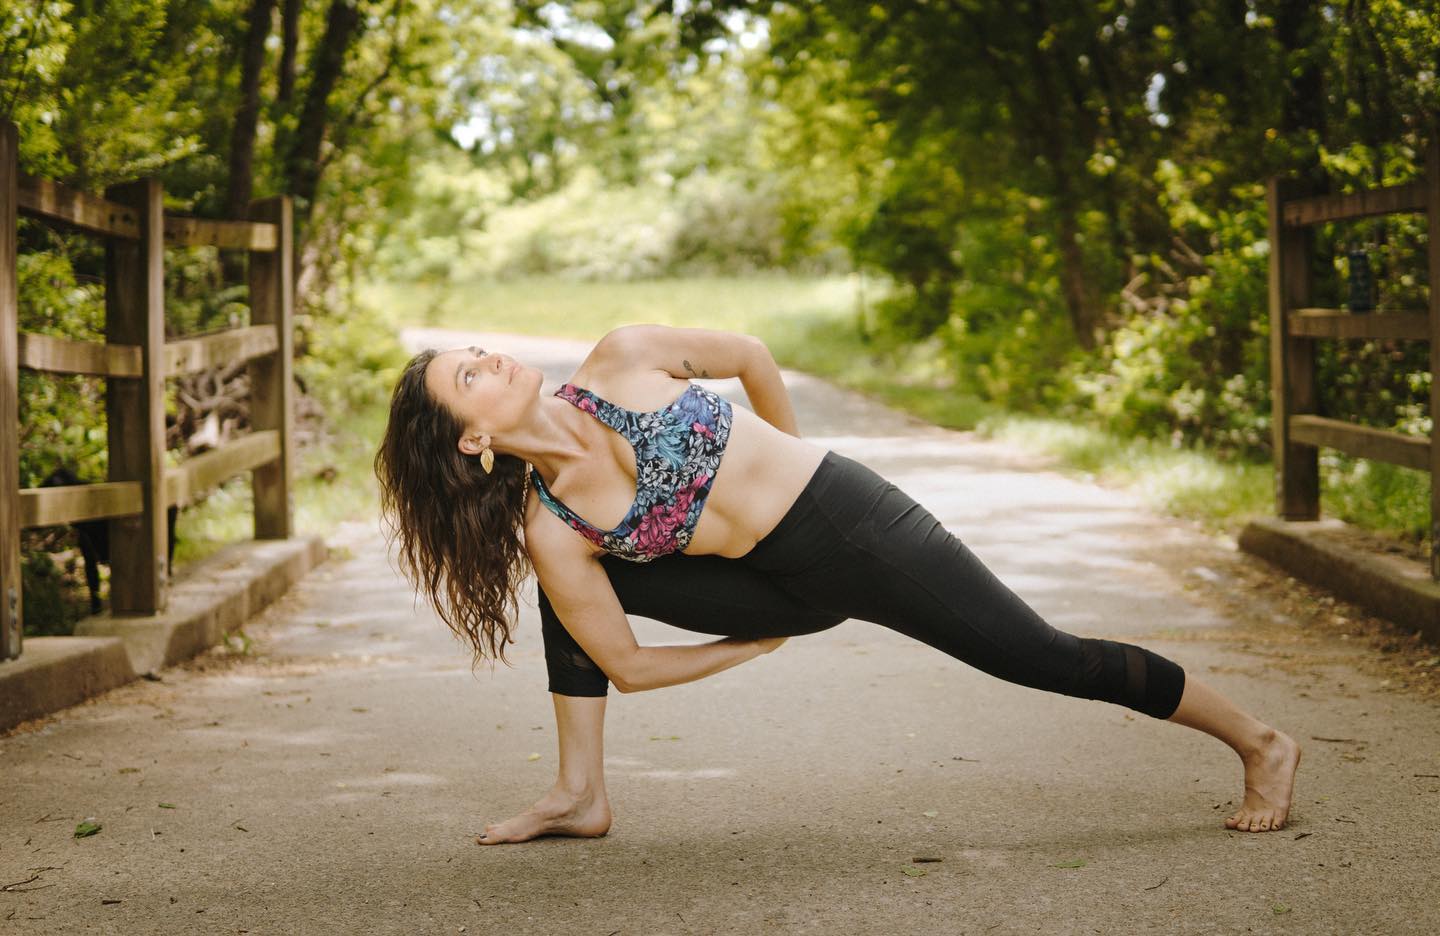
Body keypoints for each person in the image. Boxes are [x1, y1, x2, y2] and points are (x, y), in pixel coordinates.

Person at [373, 324, 1301, 845]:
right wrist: (749, 647)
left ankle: (1260, 741)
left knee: (1039, 657)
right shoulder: (554, 524)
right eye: (470, 374)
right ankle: (581, 794)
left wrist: (798, 457)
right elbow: (628, 664)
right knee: (564, 583)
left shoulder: (621, 357)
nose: (491, 357)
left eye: (479, 350)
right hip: (774, 590)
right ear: (473, 439)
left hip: (848, 521)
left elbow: (749, 355)